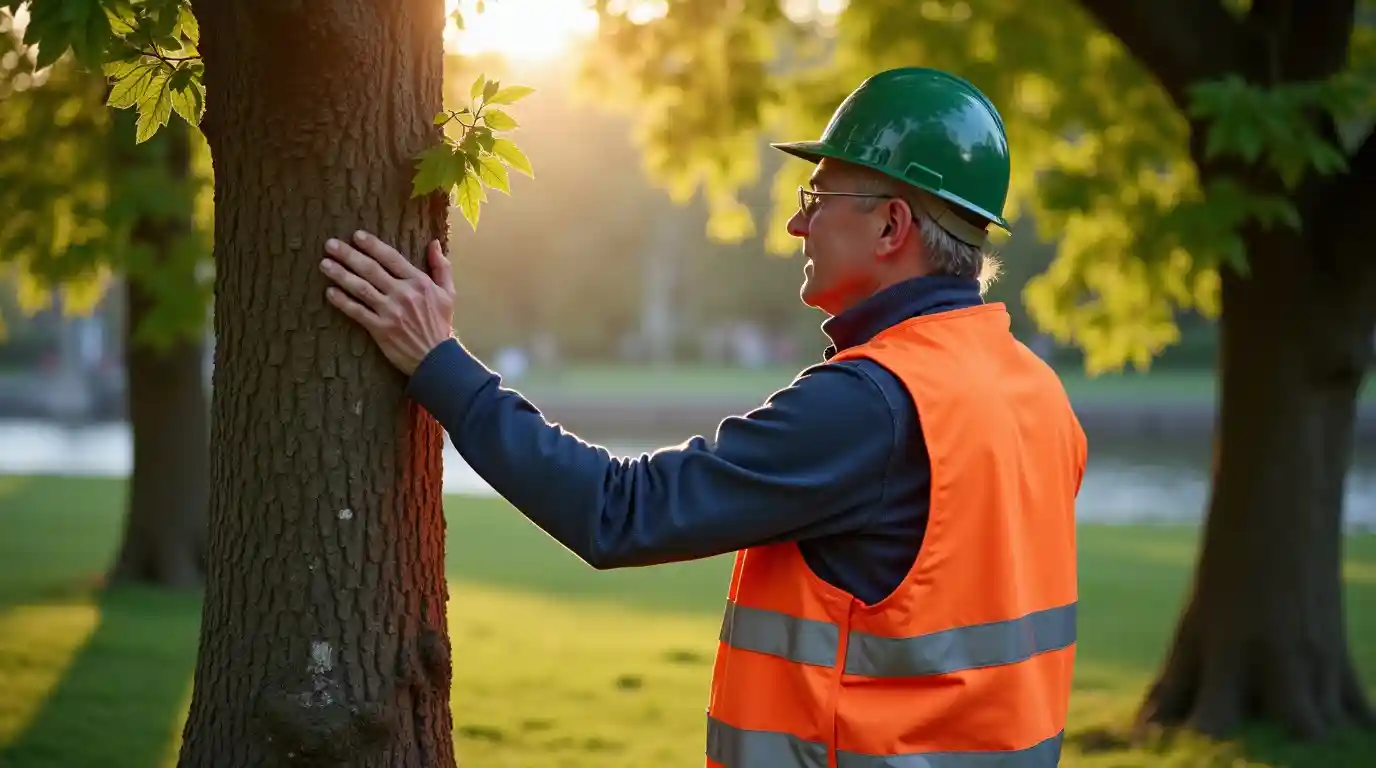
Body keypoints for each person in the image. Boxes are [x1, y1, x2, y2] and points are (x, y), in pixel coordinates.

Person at [319, 67, 1086, 767]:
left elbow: (620, 513)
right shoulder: (1037, 394)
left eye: (817, 199)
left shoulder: (872, 405)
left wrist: (439, 364)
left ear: (891, 227)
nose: (796, 226)